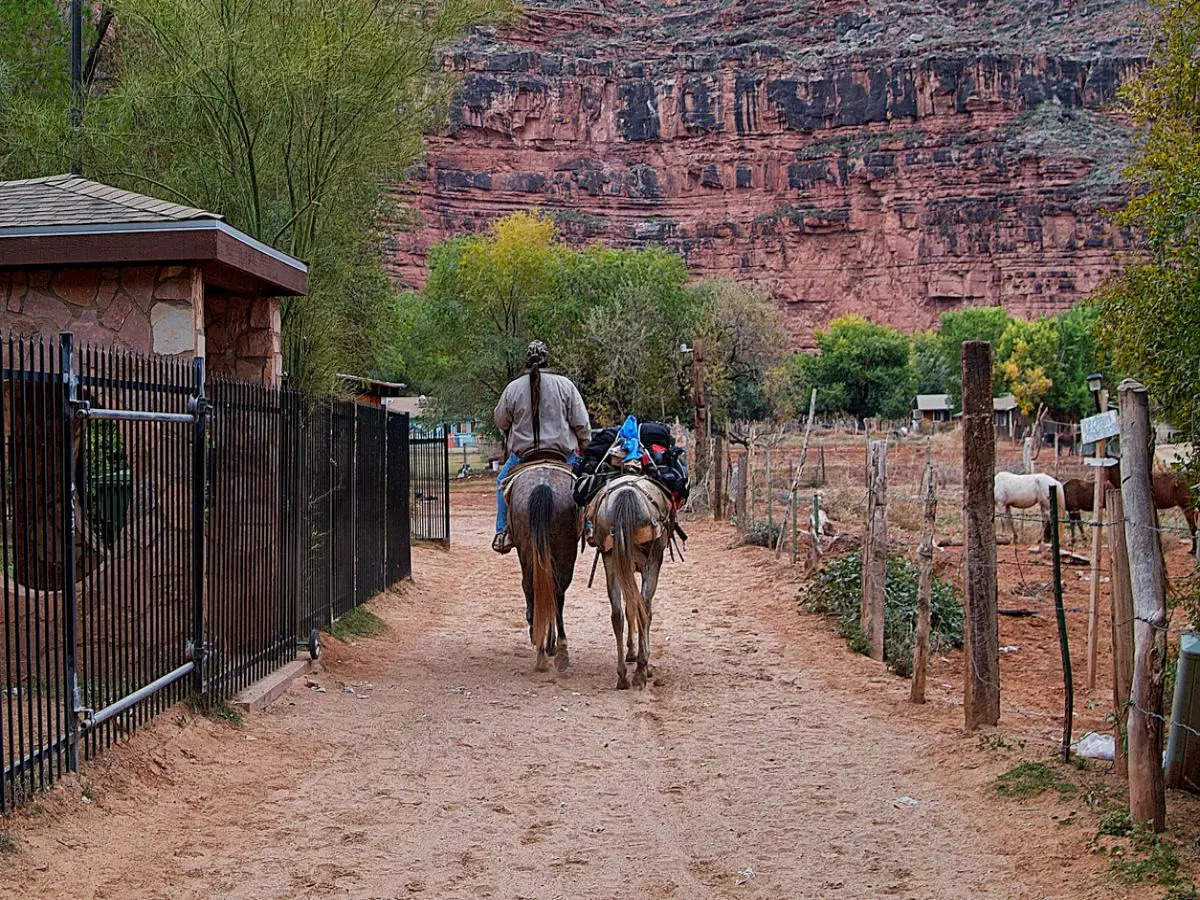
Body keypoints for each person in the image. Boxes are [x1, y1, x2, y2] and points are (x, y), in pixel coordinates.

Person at [493, 340, 591, 553]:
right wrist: (585, 442)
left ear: (526, 360)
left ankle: (502, 532)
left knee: (502, 483)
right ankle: (589, 526)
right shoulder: (565, 385)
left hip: (523, 456)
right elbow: (581, 423)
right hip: (562, 456)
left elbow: (501, 421)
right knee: (584, 482)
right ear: (548, 359)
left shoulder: (513, 388)